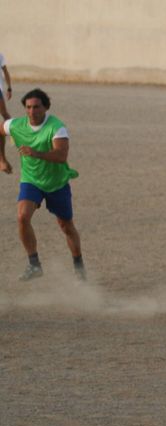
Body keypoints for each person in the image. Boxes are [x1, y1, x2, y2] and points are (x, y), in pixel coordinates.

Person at [0, 88, 84, 281]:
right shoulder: (16, 125)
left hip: (56, 182)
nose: (32, 111)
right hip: (31, 180)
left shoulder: (56, 127)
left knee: (66, 226)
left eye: (36, 107)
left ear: (46, 107)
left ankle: (79, 266)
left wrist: (36, 153)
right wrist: (2, 159)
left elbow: (61, 155)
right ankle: (34, 264)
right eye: (28, 107)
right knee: (22, 217)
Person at [0, 52, 12, 120]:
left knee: (4, 113)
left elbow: (5, 72)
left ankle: (13, 126)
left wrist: (9, 88)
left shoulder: (0, 56)